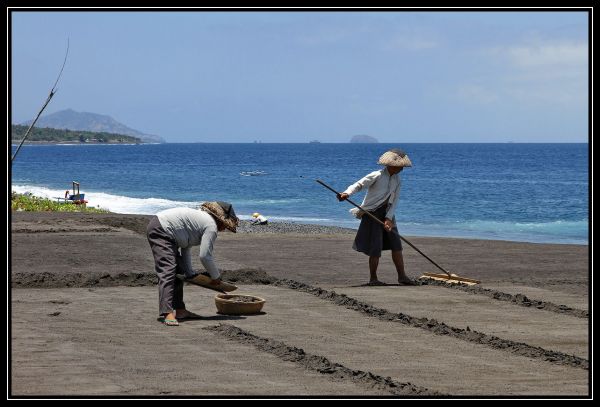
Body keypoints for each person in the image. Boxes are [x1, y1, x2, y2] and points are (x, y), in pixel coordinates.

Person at [146, 201, 239, 326]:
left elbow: (186, 247)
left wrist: (189, 273)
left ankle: (180, 310)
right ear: (221, 220)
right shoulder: (211, 226)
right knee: (168, 270)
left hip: (162, 227)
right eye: (226, 226)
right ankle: (166, 312)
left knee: (179, 271)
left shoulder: (201, 220)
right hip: (162, 229)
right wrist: (216, 277)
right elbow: (205, 256)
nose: (224, 229)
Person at [337, 148, 415, 286]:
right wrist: (347, 193)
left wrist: (389, 218)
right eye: (400, 166)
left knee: (397, 245)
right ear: (391, 165)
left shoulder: (397, 180)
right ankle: (373, 278)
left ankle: (402, 276)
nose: (402, 168)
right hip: (372, 212)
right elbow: (359, 185)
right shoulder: (377, 175)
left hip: (388, 213)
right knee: (375, 246)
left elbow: (395, 200)